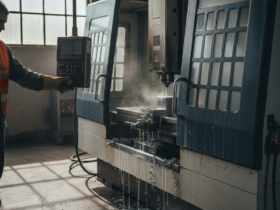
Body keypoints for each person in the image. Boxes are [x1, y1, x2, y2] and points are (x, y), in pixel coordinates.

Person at [0, 1, 72, 206]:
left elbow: (26, 76)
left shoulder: (3, 50)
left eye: (4, 23)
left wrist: (57, 83)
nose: (3, 27)